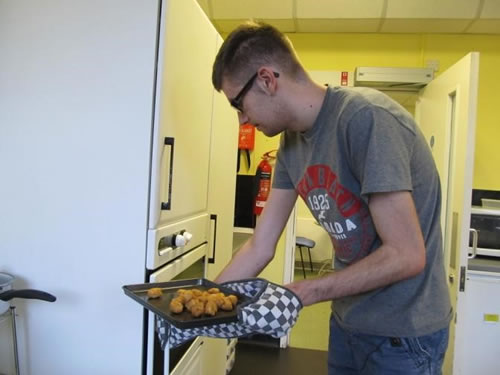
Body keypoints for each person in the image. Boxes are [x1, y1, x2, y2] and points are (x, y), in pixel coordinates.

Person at [212, 21, 452, 375]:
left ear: (266, 79)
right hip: (346, 323)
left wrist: (304, 292)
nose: (242, 120)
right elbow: (260, 246)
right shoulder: (291, 144)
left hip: (404, 337)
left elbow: (406, 254)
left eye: (238, 103)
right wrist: (205, 299)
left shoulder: (367, 119)